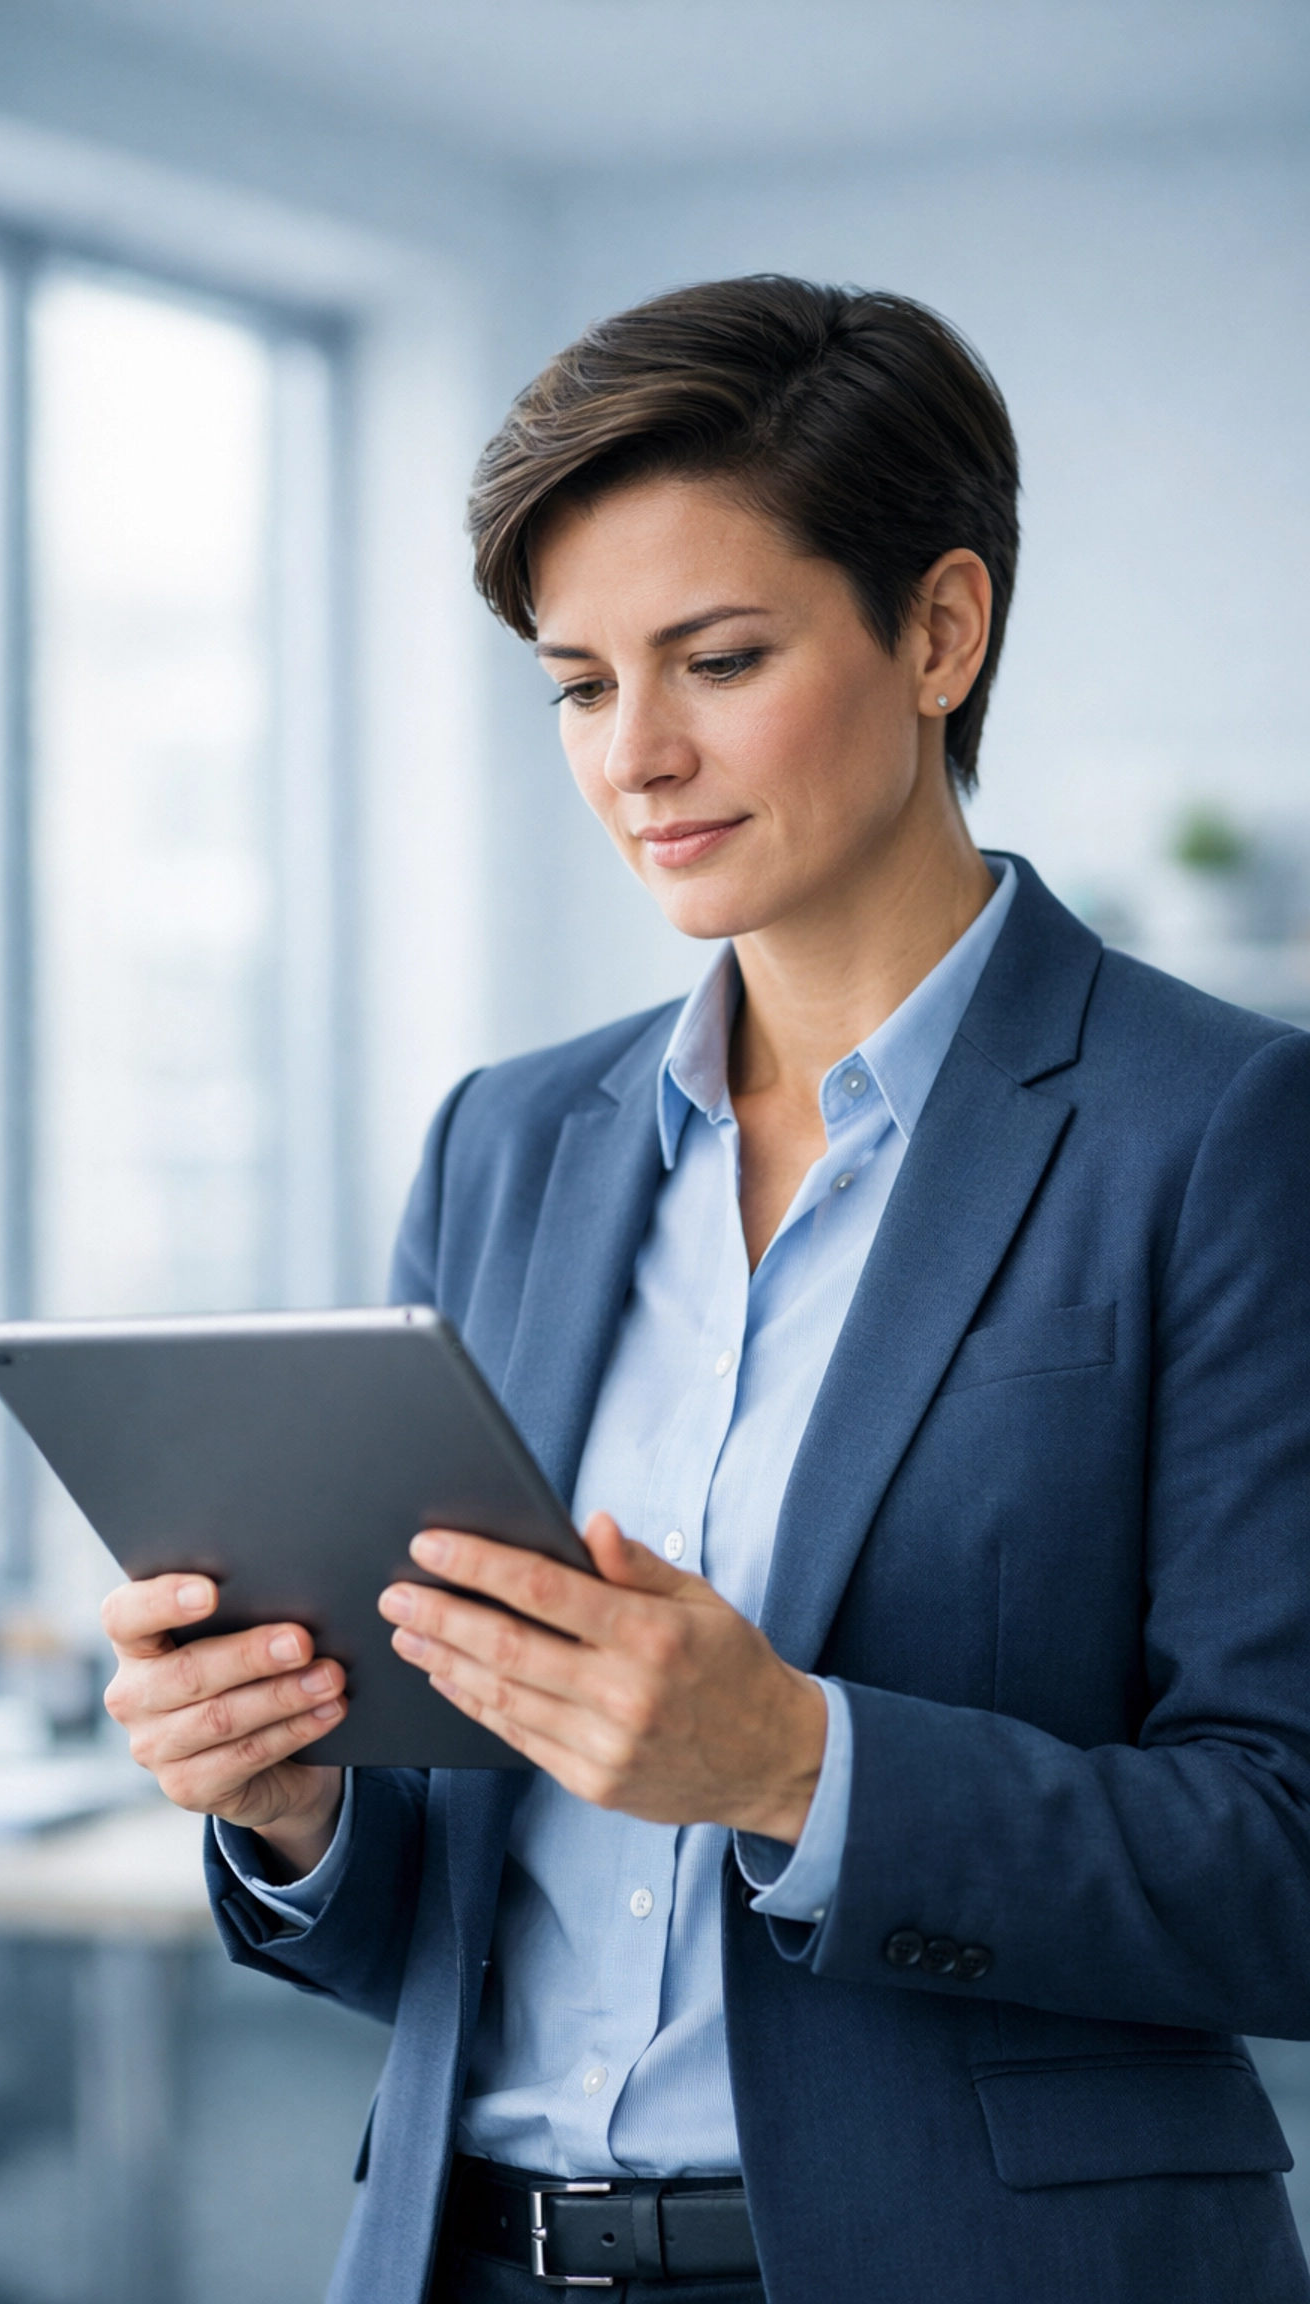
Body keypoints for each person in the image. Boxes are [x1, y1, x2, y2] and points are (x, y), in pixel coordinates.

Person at [102, 278, 1310, 2304]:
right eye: (580, 686)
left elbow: (1286, 1860)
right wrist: (299, 1802)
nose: (638, 756)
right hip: (467, 2260)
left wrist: (795, 1766)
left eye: (719, 659)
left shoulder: (1223, 1133)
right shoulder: (508, 1143)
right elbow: (446, 1893)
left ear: (940, 629)